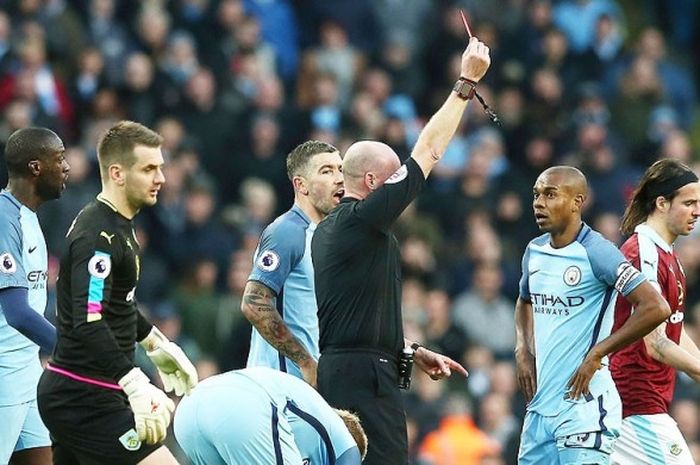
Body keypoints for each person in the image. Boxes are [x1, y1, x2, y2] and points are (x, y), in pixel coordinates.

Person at [310, 37, 490, 465]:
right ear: (373, 183)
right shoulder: (360, 220)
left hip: (348, 369)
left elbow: (352, 315)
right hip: (364, 378)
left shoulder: (329, 232)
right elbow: (428, 151)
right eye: (394, 180)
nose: (404, 191)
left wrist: (406, 349)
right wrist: (466, 82)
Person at [36, 121, 198, 465]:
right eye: (149, 168)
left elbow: (115, 304)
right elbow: (88, 319)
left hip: (87, 391)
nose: (161, 179)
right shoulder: (98, 236)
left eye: (162, 167)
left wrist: (155, 342)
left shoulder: (119, 225)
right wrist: (134, 380)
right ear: (117, 173)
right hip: (83, 396)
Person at [515, 166, 671, 465]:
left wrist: (598, 352)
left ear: (577, 202)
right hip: (540, 411)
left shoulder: (598, 252)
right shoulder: (534, 251)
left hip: (584, 410)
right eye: (536, 195)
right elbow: (524, 301)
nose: (538, 203)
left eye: (550, 194)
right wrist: (523, 349)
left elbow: (656, 307)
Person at [610, 159, 700, 465]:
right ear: (661, 203)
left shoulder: (668, 253)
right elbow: (655, 343)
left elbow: (674, 327)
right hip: (634, 401)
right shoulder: (642, 253)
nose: (697, 212)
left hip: (649, 401)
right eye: (689, 203)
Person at [241, 140, 343, 387]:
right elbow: (254, 303)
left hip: (310, 388)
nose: (339, 178)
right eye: (327, 171)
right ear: (301, 185)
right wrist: (305, 362)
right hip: (280, 386)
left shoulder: (327, 237)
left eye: (340, 169)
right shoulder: (287, 232)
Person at [0, 127, 69, 465]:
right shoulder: (3, 217)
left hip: (26, 368)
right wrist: (73, 351)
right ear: (35, 167)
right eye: (59, 158)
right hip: (3, 373)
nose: (66, 167)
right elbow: (16, 312)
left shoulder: (27, 217)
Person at [174, 366, 367, 465]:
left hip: (189, 410)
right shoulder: (347, 445)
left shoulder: (306, 420)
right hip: (240, 408)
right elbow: (351, 457)